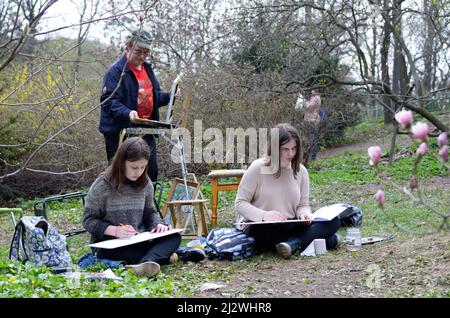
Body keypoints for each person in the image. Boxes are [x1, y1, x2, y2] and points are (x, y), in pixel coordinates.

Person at [83, 137, 205, 277]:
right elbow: (88, 220)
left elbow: (149, 213)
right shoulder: (102, 185)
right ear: (121, 162)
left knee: (174, 237)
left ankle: (147, 263)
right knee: (114, 253)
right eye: (134, 167)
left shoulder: (145, 183)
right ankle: (161, 258)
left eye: (143, 167)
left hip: (139, 240)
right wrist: (115, 230)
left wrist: (158, 224)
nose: (138, 172)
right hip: (109, 244)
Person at [234, 123, 340, 259]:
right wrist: (264, 215)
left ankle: (294, 244)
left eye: (294, 148)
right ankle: (320, 240)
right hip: (262, 227)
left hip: (291, 224)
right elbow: (240, 203)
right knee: (266, 233)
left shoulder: (300, 171)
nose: (290, 154)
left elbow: (302, 205)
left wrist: (304, 214)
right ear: (274, 148)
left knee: (333, 221)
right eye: (285, 149)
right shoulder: (257, 168)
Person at [99, 29, 170, 182]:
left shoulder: (148, 69)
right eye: (138, 51)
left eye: (146, 52)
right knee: (122, 174)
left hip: (145, 129)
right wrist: (128, 113)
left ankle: (147, 205)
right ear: (128, 47)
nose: (142, 56)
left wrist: (170, 97)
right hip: (120, 131)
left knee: (150, 171)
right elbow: (108, 101)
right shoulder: (116, 71)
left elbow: (154, 96)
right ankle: (120, 205)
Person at [303, 90, 321, 161]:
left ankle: (313, 158)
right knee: (310, 139)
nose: (311, 91)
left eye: (312, 90)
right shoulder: (314, 97)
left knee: (313, 139)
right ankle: (310, 157)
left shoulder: (316, 97)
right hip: (310, 119)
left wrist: (304, 101)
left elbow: (309, 106)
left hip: (312, 120)